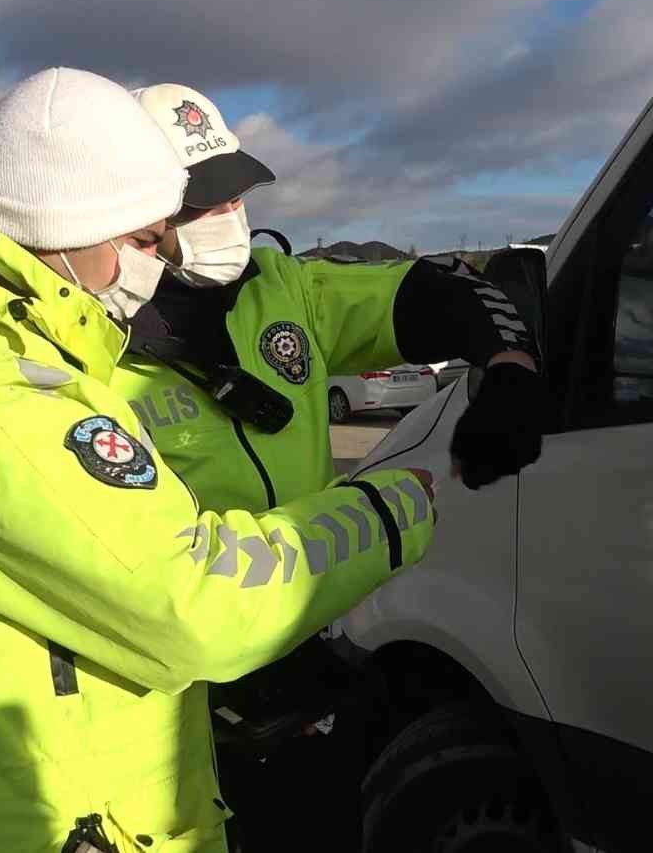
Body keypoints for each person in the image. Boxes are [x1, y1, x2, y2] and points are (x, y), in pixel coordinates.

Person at [0, 67, 436, 853]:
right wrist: (396, 507)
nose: (154, 264)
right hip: (47, 826)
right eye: (140, 240)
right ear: (70, 222)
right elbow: (191, 604)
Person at [94, 83, 550, 851]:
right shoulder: (84, 343)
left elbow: (444, 289)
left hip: (308, 658)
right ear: (143, 219)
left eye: (234, 193)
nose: (228, 217)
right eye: (201, 203)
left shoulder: (288, 290)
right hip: (167, 696)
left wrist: (510, 366)